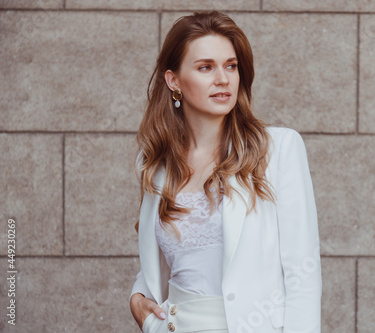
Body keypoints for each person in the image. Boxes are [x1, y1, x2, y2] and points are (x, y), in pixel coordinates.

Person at [129, 11, 322, 333]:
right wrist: (138, 299)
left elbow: (303, 272)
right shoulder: (154, 163)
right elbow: (177, 257)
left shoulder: (278, 148)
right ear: (173, 80)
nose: (223, 79)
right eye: (206, 67)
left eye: (231, 66)